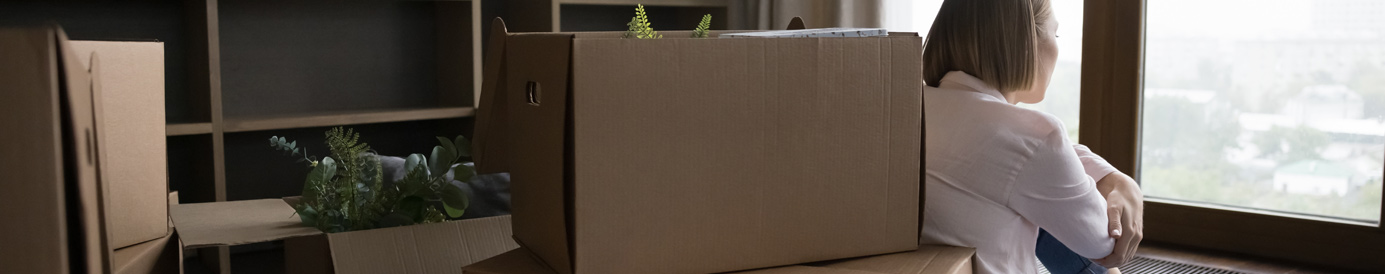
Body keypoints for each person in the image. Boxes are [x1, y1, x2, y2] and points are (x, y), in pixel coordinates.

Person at [919, 0, 1145, 273]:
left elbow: (1028, 152)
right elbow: (1105, 244)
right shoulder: (1034, 137)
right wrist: (1114, 179)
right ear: (1025, 41)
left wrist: (1110, 177)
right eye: (1055, 34)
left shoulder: (911, 110)